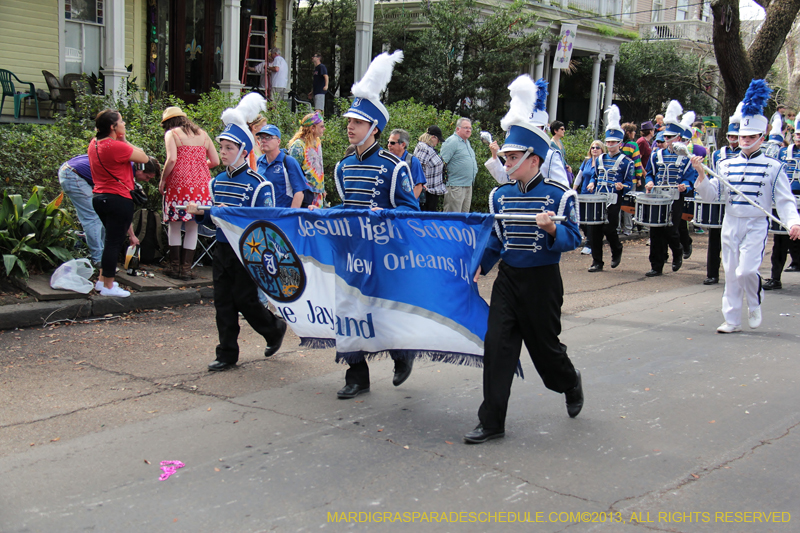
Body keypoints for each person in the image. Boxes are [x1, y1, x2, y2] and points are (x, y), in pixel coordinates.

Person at [463, 74, 583, 445]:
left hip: (543, 283)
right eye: (507, 156)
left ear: (534, 159)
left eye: (513, 157)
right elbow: (498, 240)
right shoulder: (500, 197)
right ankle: (492, 420)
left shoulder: (559, 197)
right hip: (509, 281)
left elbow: (574, 239)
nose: (507, 162)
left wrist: (551, 231)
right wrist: (481, 264)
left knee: (546, 354)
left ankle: (569, 381)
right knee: (496, 347)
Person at [330, 50, 418, 399]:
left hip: (383, 255)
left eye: (358, 123)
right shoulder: (342, 166)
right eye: (349, 122)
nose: (350, 127)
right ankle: (356, 375)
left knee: (383, 312)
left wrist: (385, 223)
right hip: (351, 254)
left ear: (375, 129)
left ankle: (402, 353)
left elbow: (410, 212)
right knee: (348, 311)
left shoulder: (395, 167)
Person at [186, 97, 287, 371]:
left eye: (229, 147)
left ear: (243, 151)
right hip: (222, 249)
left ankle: (274, 328)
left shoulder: (259, 184)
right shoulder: (216, 182)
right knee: (222, 302)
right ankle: (227, 353)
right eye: (222, 147)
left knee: (245, 299)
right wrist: (201, 212)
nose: (224, 152)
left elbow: (264, 222)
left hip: (246, 251)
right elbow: (213, 221)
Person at [692, 80, 800, 333]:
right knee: (731, 273)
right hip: (731, 221)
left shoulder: (774, 167)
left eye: (751, 137)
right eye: (742, 136)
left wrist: (793, 221)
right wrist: (700, 174)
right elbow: (712, 196)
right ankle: (732, 319)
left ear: (761, 137)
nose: (745, 140)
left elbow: (784, 199)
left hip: (755, 223)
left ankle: (754, 300)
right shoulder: (725, 165)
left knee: (746, 272)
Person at [88, 109, 152, 297]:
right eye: (121, 122)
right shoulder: (117, 146)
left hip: (99, 197)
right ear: (113, 127)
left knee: (109, 239)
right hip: (118, 197)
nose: (124, 124)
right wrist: (124, 141)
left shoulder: (94, 144)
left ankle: (101, 281)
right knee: (113, 243)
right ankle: (109, 286)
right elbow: (144, 158)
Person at [59, 154, 159, 273]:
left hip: (78, 174)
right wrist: (132, 236)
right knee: (93, 217)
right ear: (140, 169)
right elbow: (122, 212)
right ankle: (98, 260)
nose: (146, 181)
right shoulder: (123, 174)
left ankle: (88, 246)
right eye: (147, 177)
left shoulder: (127, 166)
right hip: (74, 175)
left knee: (102, 214)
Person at [159, 106, 220, 280]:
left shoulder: (173, 134)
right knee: (193, 225)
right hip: (201, 184)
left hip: (179, 182)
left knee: (175, 224)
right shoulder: (203, 134)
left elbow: (171, 159)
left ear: (169, 122)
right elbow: (215, 161)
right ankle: (186, 269)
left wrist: (163, 179)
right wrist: (197, 166)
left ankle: (174, 266)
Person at [644, 100, 697, 277]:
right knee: (655, 230)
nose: (666, 140)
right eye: (665, 137)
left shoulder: (687, 157)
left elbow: (691, 178)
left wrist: (686, 186)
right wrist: (649, 182)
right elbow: (650, 173)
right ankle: (656, 265)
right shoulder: (656, 154)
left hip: (675, 197)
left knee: (671, 229)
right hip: (658, 196)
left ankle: (678, 250)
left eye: (669, 137)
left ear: (678, 139)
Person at [586, 106, 633, 272]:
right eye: (608, 142)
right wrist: (592, 182)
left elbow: (630, 184)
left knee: (609, 227)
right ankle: (597, 262)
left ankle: (616, 248)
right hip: (599, 196)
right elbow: (595, 176)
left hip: (614, 197)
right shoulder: (599, 160)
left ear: (620, 143)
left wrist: (623, 187)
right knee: (595, 229)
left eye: (613, 142)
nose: (610, 145)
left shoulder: (627, 162)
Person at [704, 109, 742, 285]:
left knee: (737, 241)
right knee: (714, 238)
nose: (733, 140)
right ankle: (712, 274)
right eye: (731, 136)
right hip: (721, 200)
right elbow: (713, 175)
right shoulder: (718, 154)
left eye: (736, 137)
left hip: (739, 202)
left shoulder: (746, 154)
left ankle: (736, 275)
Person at [764, 128, 800, 289]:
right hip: (787, 197)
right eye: (798, 134)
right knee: (780, 239)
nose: (799, 137)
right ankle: (775, 278)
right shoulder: (784, 152)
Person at [255, 124, 310, 208]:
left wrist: (290, 216)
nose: (263, 140)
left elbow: (299, 192)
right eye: (261, 137)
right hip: (263, 215)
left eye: (268, 137)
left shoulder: (288, 161)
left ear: (278, 141)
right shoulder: (259, 161)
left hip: (282, 216)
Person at [287, 112, 326, 208]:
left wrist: (322, 188)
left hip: (318, 194)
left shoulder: (317, 141)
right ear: (312, 128)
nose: (324, 129)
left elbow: (318, 167)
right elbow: (292, 172)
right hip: (306, 194)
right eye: (321, 126)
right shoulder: (298, 146)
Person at [573, 140, 606, 255]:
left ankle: (589, 243)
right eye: (593, 147)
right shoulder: (587, 161)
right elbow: (580, 175)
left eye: (597, 147)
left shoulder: (603, 162)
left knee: (592, 221)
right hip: (584, 194)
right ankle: (591, 239)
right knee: (581, 220)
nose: (595, 149)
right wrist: (573, 189)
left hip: (596, 195)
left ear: (602, 150)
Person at [440, 118, 478, 212]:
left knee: (463, 219)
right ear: (458, 129)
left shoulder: (466, 142)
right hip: (455, 187)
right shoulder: (452, 141)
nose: (468, 130)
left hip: (468, 186)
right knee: (453, 218)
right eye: (466, 128)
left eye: (470, 128)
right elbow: (442, 163)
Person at [414, 126, 446, 211]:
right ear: (433, 137)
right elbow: (417, 166)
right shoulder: (424, 148)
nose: (438, 142)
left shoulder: (428, 148)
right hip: (427, 192)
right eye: (438, 140)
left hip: (433, 191)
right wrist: (421, 185)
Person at [620, 122, 644, 235]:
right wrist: (639, 177)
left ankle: (618, 227)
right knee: (628, 205)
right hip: (631, 179)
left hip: (619, 179)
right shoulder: (633, 145)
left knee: (617, 204)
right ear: (628, 132)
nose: (634, 133)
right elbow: (637, 163)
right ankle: (628, 228)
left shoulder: (618, 144)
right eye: (633, 131)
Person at [388, 129, 426, 199]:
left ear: (403, 145)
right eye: (388, 142)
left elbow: (418, 186)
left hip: (406, 205)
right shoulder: (387, 160)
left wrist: (410, 203)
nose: (389, 145)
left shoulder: (412, 161)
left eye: (392, 143)